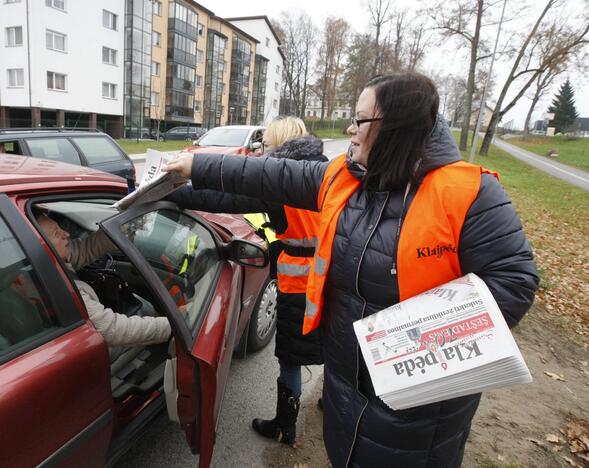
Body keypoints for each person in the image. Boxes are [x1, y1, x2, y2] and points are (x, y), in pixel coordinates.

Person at [164, 72, 539, 467]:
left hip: (415, 413)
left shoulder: (470, 194)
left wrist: (402, 349)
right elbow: (265, 176)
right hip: (345, 397)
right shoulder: (345, 178)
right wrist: (192, 166)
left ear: (394, 127)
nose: (350, 129)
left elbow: (513, 286)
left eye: (360, 120)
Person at [166, 117, 326, 446]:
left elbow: (225, 199)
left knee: (292, 359)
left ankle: (285, 426)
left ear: (279, 143)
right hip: (333, 275)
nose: (263, 149)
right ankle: (332, 402)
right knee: (333, 345)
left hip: (300, 281)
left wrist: (177, 195)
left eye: (266, 144)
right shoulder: (324, 170)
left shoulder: (278, 182)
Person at [36, 213, 172, 348]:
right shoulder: (59, 289)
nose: (66, 234)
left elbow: (84, 249)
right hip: (95, 345)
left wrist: (124, 226)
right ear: (40, 246)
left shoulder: (45, 263)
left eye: (60, 228)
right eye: (56, 233)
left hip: (89, 329)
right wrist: (173, 326)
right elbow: (113, 330)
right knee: (143, 308)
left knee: (139, 302)